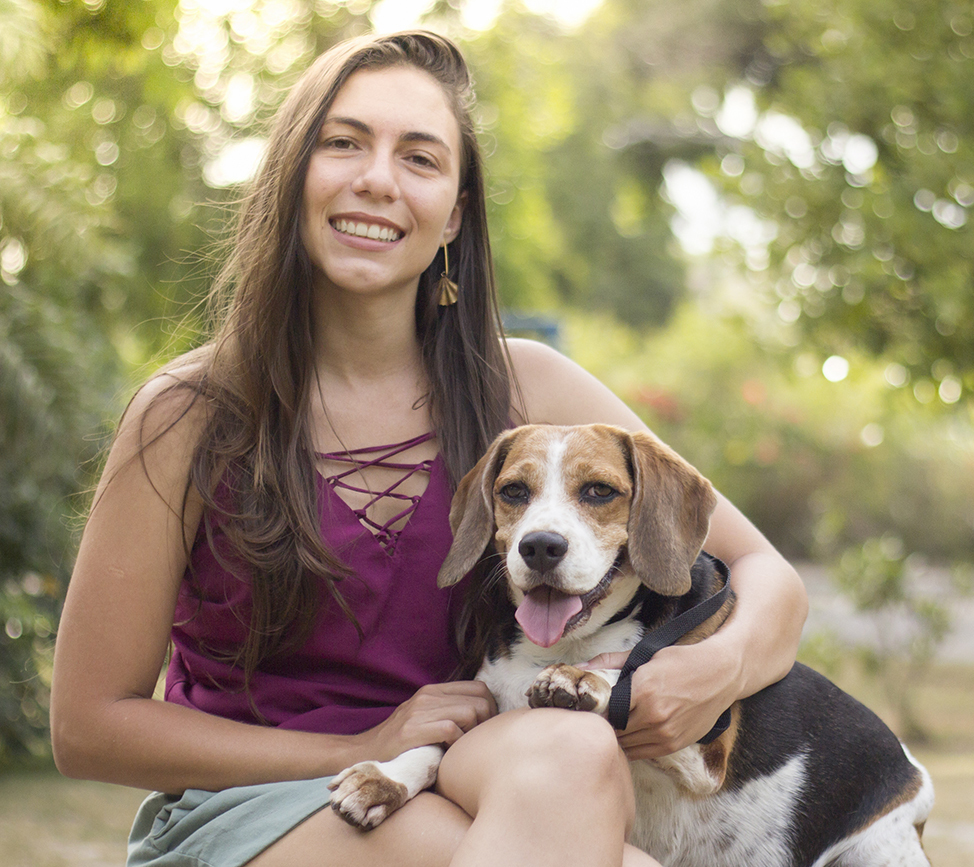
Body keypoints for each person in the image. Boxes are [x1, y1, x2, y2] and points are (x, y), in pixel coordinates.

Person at [50, 30, 807, 867]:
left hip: (457, 769)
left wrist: (716, 671)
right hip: (246, 804)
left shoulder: (528, 390)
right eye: (343, 143)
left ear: (453, 212)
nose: (377, 179)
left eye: (419, 157)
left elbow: (768, 578)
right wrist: (367, 740)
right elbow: (90, 725)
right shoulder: (189, 413)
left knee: (575, 749)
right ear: (292, 174)